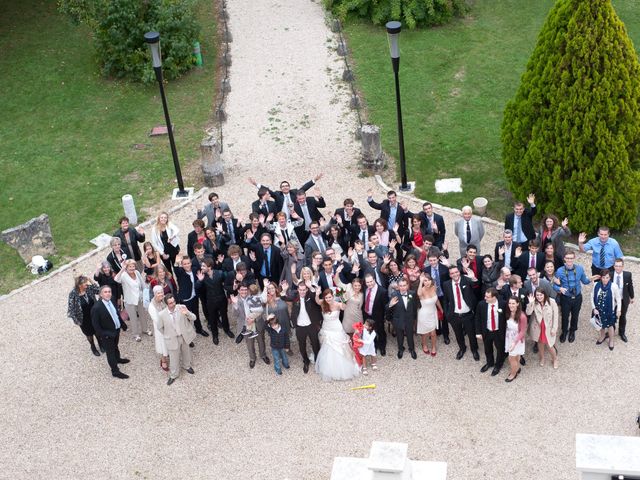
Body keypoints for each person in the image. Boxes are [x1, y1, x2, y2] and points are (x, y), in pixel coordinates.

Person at [314, 289, 360, 380]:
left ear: (333, 296)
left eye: (330, 297)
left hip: (336, 328)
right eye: (326, 297)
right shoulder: (323, 303)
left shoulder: (337, 304)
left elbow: (344, 307)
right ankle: (328, 367)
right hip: (326, 328)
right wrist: (317, 294)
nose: (328, 299)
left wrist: (343, 299)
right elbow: (317, 301)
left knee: (340, 347)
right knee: (327, 347)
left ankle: (342, 367)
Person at [156, 294, 197, 385]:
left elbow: (194, 318)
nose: (173, 304)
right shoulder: (162, 314)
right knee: (174, 358)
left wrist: (187, 313)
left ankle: (187, 366)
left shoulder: (182, 308)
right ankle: (173, 375)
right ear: (167, 304)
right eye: (170, 303)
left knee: (186, 352)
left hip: (184, 336)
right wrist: (168, 334)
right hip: (172, 339)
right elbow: (160, 327)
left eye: (174, 301)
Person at [91, 285, 130, 379]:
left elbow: (116, 313)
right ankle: (115, 371)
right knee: (110, 352)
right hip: (107, 335)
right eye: (105, 292)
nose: (108, 293)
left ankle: (118, 359)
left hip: (116, 330)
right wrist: (105, 335)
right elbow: (96, 325)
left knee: (115, 346)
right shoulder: (96, 308)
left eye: (109, 291)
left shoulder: (112, 299)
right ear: (100, 294)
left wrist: (122, 324)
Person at [553, 251, 592, 343]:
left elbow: (585, 281)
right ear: (564, 259)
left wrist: (591, 279)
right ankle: (564, 331)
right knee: (565, 316)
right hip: (565, 298)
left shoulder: (580, 269)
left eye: (571, 258)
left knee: (575, 315)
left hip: (577, 297)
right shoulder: (559, 271)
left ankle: (572, 331)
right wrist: (559, 288)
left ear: (574, 258)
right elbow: (554, 286)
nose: (569, 260)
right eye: (568, 258)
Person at [443, 265, 479, 361]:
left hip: (467, 314)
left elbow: (476, 288)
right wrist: (447, 314)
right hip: (454, 315)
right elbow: (445, 300)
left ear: (459, 272)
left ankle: (474, 349)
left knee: (471, 334)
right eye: (452, 273)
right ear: (450, 275)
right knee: (458, 334)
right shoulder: (446, 284)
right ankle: (462, 348)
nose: (455, 274)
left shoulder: (467, 280)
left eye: (456, 272)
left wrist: (474, 278)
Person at [285, 281, 322, 373]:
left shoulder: (311, 297)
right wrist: (284, 290)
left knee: (315, 344)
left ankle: (318, 361)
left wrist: (313, 289)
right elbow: (284, 297)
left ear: (306, 290)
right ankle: (306, 361)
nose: (302, 292)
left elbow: (317, 300)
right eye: (300, 290)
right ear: (298, 290)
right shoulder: (295, 298)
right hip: (299, 326)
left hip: (311, 325)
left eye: (304, 290)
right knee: (302, 345)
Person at [230, 284, 270, 368]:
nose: (244, 291)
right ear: (238, 291)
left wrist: (254, 319)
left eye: (245, 289)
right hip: (246, 326)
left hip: (258, 323)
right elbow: (235, 315)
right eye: (242, 290)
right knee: (249, 344)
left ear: (248, 290)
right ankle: (252, 358)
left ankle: (263, 355)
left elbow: (261, 310)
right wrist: (235, 304)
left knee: (261, 341)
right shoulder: (236, 300)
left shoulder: (254, 296)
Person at [196, 258, 231, 345]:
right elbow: (196, 287)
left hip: (222, 299)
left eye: (204, 266)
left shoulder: (219, 273)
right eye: (202, 265)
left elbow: (226, 283)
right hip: (210, 301)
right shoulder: (202, 276)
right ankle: (215, 335)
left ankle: (227, 330)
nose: (202, 267)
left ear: (210, 267)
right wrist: (200, 281)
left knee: (224, 316)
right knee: (212, 319)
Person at [115, 259, 151, 342]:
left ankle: (145, 329)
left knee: (142, 314)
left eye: (133, 266)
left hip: (140, 298)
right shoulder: (123, 275)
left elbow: (142, 284)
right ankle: (136, 334)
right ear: (126, 267)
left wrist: (146, 294)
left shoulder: (137, 273)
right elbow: (116, 279)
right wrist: (122, 269)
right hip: (130, 300)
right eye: (130, 266)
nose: (132, 268)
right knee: (133, 317)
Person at [67, 275, 102, 356]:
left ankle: (101, 343)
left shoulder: (89, 288)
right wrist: (76, 321)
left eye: (87, 282)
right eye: (85, 283)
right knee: (89, 334)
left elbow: (99, 291)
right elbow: (71, 309)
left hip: (94, 314)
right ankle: (93, 347)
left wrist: (91, 281)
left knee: (97, 330)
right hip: (83, 318)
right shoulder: (73, 294)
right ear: (79, 285)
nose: (87, 283)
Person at [174, 256, 210, 338]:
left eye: (188, 263)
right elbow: (175, 269)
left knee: (196, 313)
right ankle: (187, 335)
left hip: (194, 297)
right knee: (186, 318)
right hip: (185, 299)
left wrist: (200, 280)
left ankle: (199, 329)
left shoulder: (194, 270)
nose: (187, 265)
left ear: (191, 263)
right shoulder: (180, 272)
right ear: (182, 265)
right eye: (184, 264)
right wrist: (176, 263)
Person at [474, 288, 506, 376]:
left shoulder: (503, 304)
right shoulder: (481, 304)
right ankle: (490, 362)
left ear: (494, 297)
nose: (485, 298)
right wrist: (478, 332)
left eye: (488, 297)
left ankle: (498, 365)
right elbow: (477, 318)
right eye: (485, 296)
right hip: (487, 331)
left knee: (500, 349)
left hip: (498, 332)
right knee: (487, 348)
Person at [526, 289, 559, 369]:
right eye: (537, 295)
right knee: (540, 343)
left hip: (548, 327)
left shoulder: (552, 302)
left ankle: (555, 359)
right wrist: (530, 303)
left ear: (544, 295)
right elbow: (528, 313)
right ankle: (542, 357)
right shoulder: (534, 303)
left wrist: (554, 329)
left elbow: (556, 316)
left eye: (541, 295)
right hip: (538, 328)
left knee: (549, 345)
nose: (539, 297)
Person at [387, 278, 418, 360]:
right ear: (398, 286)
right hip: (398, 319)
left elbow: (414, 306)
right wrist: (390, 305)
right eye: (401, 286)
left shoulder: (412, 294)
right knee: (399, 336)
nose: (403, 287)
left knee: (410, 335)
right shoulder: (394, 295)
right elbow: (387, 308)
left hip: (409, 319)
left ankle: (412, 349)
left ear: (407, 285)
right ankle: (400, 349)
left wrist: (414, 318)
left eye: (404, 285)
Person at [592, 270, 621, 351]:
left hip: (609, 311)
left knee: (610, 326)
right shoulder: (596, 285)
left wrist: (619, 310)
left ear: (610, 278)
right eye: (603, 278)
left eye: (607, 278)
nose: (605, 279)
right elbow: (592, 297)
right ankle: (602, 336)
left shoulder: (614, 286)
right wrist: (594, 308)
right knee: (601, 324)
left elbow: (618, 299)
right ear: (601, 278)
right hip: (598, 310)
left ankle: (611, 340)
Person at [260, 280, 292, 352]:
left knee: (286, 335)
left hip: (285, 320)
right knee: (276, 337)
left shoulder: (282, 296)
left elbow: (290, 305)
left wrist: (285, 291)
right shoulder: (266, 301)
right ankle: (279, 350)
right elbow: (264, 314)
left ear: (276, 289)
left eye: (272, 288)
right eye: (269, 288)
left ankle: (288, 347)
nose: (271, 290)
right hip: (274, 323)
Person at [416, 273, 442, 356]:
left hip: (433, 312)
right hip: (424, 314)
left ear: (431, 281)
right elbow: (419, 294)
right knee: (425, 333)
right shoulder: (422, 290)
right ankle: (424, 345)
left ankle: (434, 347)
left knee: (433, 333)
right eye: (425, 281)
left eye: (428, 280)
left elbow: (436, 300)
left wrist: (441, 309)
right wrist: (420, 281)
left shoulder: (434, 288)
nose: (426, 282)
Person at [334, 266, 364, 335]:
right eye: (355, 285)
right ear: (352, 285)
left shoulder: (362, 293)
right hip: (348, 315)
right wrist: (337, 272)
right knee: (347, 333)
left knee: (358, 334)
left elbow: (361, 306)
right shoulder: (348, 287)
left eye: (359, 285)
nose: (357, 287)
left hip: (358, 315)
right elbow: (337, 282)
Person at [504, 296, 527, 382]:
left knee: (511, 358)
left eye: (513, 303)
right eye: (509, 303)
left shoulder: (522, 316)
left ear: (517, 304)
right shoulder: (508, 312)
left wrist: (514, 342)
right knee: (516, 355)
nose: (511, 305)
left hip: (517, 340)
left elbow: (522, 331)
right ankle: (517, 368)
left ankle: (513, 374)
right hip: (509, 337)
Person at [147, 285, 169, 372]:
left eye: (162, 292)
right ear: (155, 294)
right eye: (158, 293)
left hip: (168, 325)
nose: (161, 294)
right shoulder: (151, 306)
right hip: (160, 328)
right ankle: (163, 360)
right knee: (162, 344)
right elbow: (156, 319)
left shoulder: (164, 301)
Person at [612, 258, 634, 343]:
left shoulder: (627, 275)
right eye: (616, 266)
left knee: (623, 316)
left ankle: (622, 333)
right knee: (612, 315)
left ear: (623, 266)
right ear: (614, 266)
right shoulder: (610, 274)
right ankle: (612, 331)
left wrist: (632, 297)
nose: (618, 268)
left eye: (620, 266)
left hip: (623, 299)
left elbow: (630, 286)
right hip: (613, 300)